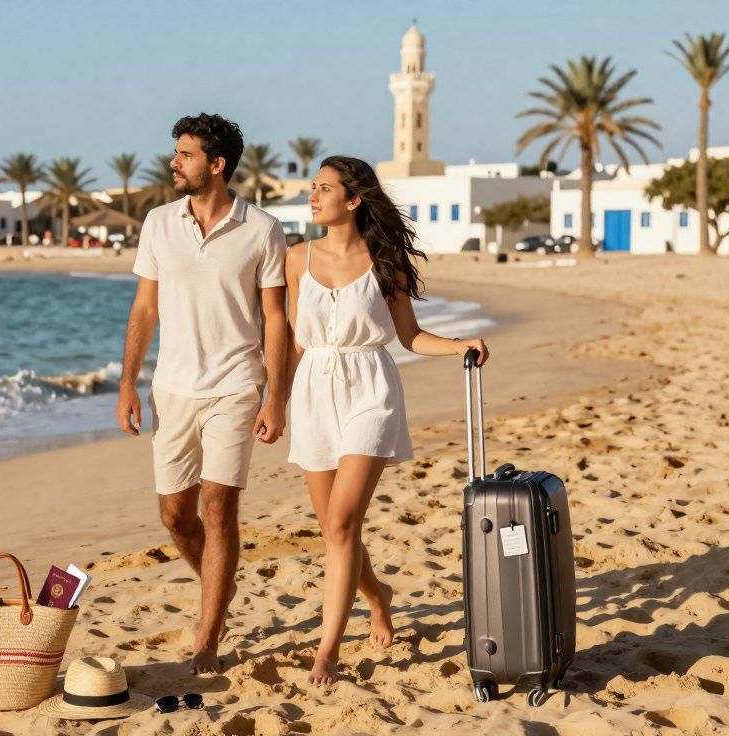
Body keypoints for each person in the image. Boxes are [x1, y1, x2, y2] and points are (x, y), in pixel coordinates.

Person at [284, 156, 489, 685]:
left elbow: (410, 337)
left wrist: (460, 343)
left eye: (324, 188)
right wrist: (272, 400)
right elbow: (288, 337)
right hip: (312, 390)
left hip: (370, 389)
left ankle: (326, 650)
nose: (313, 195)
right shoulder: (293, 259)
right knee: (334, 528)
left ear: (352, 200)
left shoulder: (385, 262)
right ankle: (378, 597)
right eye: (313, 187)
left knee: (343, 521)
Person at [116, 113, 288, 675]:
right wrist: (128, 383)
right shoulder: (159, 223)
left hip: (236, 385)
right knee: (174, 517)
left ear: (216, 165)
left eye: (185, 154)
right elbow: (145, 307)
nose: (174, 162)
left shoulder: (261, 230)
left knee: (218, 507)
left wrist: (275, 396)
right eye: (176, 153)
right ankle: (219, 582)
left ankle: (207, 636)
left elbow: (274, 318)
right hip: (173, 387)